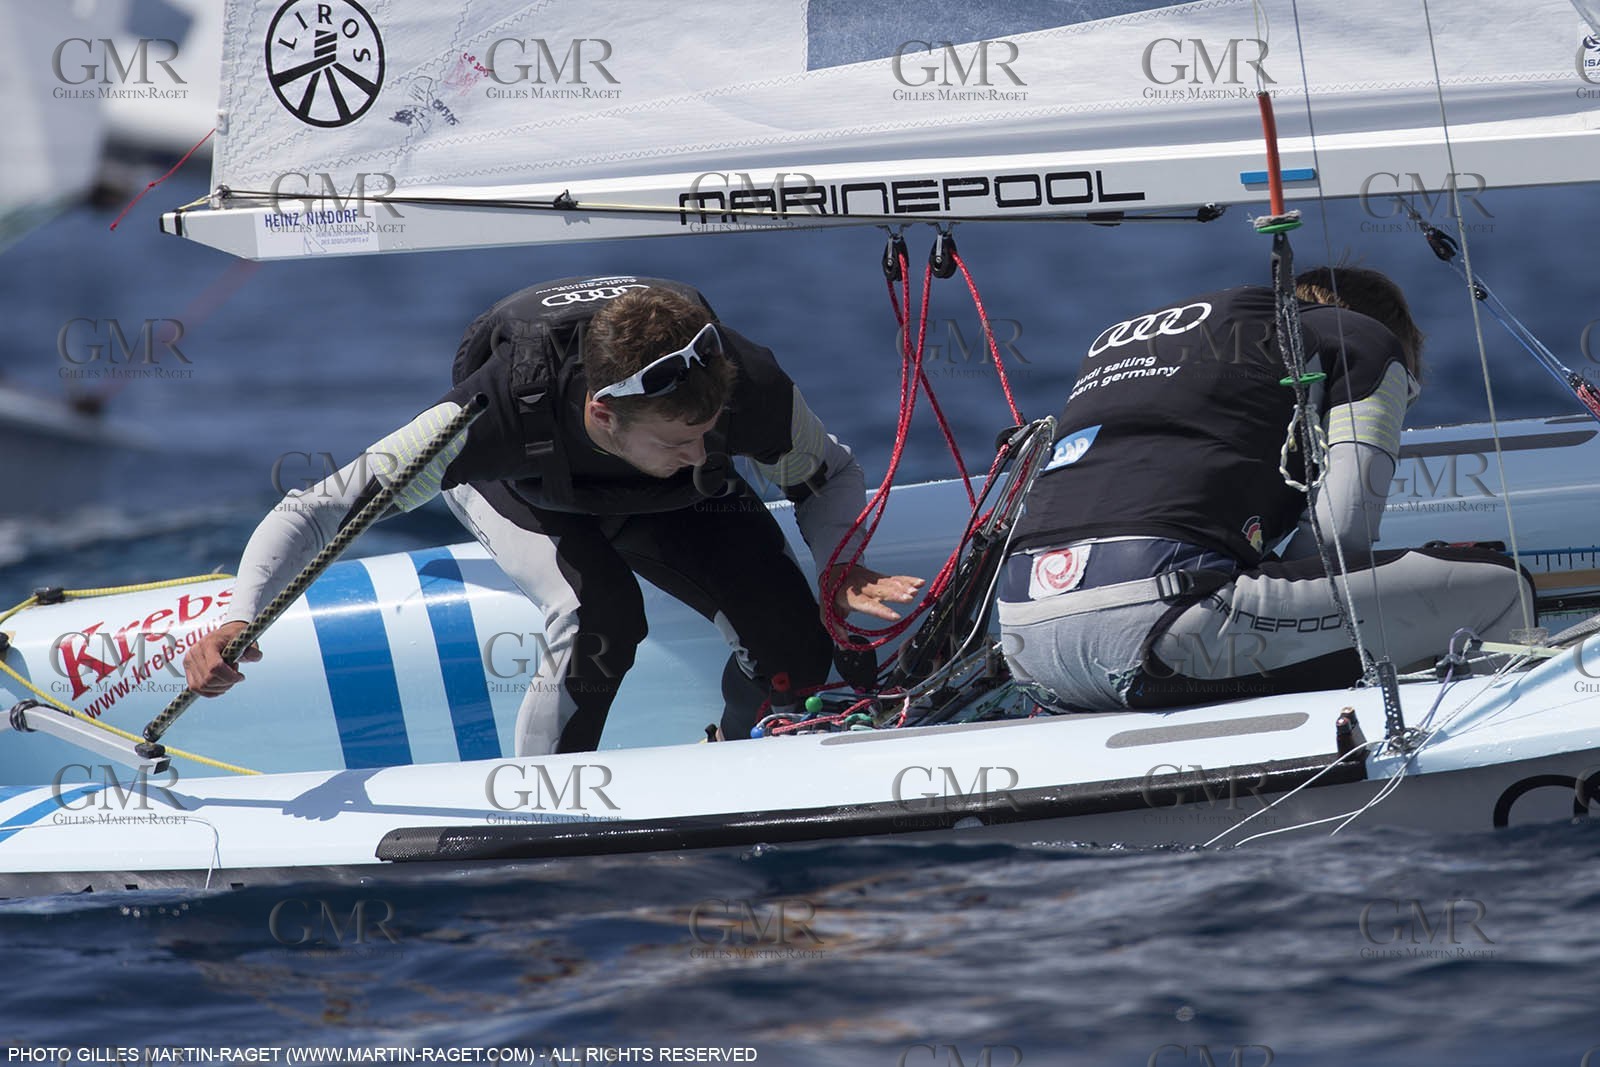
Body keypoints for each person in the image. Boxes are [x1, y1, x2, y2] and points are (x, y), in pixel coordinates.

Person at [185, 276, 923, 754]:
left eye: (709, 430)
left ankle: (736, 755)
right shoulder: (493, 413)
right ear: (603, 415)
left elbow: (829, 473)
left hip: (665, 497)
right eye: (679, 436)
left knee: (797, 649)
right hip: (527, 487)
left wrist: (840, 567)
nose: (705, 449)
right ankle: (543, 800)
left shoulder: (741, 385)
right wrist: (242, 615)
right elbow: (317, 508)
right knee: (602, 612)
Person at [998, 266, 1536, 711]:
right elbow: (1339, 536)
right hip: (1159, 631)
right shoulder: (1365, 339)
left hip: (1028, 648)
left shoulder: (1120, 341)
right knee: (1501, 586)